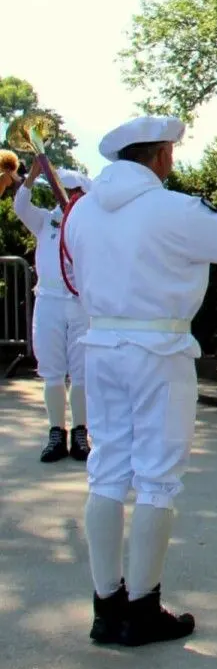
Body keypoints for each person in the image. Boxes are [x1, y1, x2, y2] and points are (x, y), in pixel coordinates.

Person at [64, 117, 217, 645]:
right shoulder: (174, 209)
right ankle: (142, 608)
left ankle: (105, 605)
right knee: (158, 477)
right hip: (158, 349)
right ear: (160, 156)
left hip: (101, 346)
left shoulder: (82, 211)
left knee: (106, 472)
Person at [12, 161, 92, 463]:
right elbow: (21, 206)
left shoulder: (87, 226)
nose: (69, 196)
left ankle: (81, 433)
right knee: (52, 372)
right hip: (48, 302)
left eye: (75, 191)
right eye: (66, 190)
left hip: (79, 305)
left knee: (81, 372)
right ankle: (56, 432)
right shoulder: (45, 221)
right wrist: (31, 175)